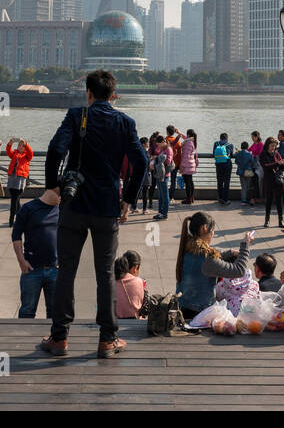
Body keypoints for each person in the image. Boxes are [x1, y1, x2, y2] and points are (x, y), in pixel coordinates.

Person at [39, 69, 147, 359]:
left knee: (66, 272)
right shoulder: (125, 122)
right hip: (107, 208)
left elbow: (54, 150)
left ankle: (59, 338)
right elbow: (142, 162)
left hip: (74, 205)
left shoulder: (77, 115)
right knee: (105, 274)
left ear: (88, 93)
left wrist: (53, 187)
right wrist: (128, 200)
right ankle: (107, 339)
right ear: (113, 95)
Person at [174, 212, 252, 320]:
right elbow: (238, 270)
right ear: (205, 228)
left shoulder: (187, 248)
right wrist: (245, 246)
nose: (213, 234)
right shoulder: (207, 258)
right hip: (200, 314)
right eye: (213, 230)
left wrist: (229, 253)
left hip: (183, 308)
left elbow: (211, 256)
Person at [12, 173, 61, 319]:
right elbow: (16, 236)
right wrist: (21, 261)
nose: (62, 199)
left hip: (55, 270)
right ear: (53, 190)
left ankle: (53, 340)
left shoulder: (62, 209)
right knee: (27, 311)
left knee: (54, 314)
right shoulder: (28, 208)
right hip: (32, 270)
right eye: (61, 194)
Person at [258, 136, 284, 228]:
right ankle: (267, 220)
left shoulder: (276, 153)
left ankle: (281, 220)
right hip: (269, 180)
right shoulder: (263, 154)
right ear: (267, 145)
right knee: (269, 201)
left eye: (274, 146)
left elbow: (281, 168)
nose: (273, 148)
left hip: (278, 180)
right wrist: (277, 163)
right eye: (271, 146)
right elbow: (265, 166)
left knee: (279, 201)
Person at [4, 136, 33, 223]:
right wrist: (10, 144)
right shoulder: (14, 154)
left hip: (20, 180)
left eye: (21, 145)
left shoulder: (27, 156)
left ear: (25, 148)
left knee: (14, 200)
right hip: (12, 178)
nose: (19, 147)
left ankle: (11, 219)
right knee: (16, 201)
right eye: (19, 145)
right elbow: (8, 152)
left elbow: (31, 153)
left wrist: (26, 144)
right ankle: (22, 218)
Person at [114, 250, 146, 318]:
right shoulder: (141, 282)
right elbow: (143, 307)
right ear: (135, 268)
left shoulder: (112, 281)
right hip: (134, 321)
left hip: (114, 321)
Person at [148, 134, 172, 221]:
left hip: (164, 175)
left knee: (165, 195)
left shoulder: (168, 149)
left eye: (158, 144)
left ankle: (164, 214)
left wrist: (157, 159)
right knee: (161, 195)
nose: (157, 146)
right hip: (159, 174)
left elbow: (168, 161)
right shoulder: (163, 149)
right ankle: (160, 212)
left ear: (162, 142)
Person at [212, 132, 234, 204]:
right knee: (226, 182)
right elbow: (231, 155)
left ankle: (220, 198)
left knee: (220, 181)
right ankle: (225, 199)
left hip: (218, 164)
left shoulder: (216, 144)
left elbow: (213, 154)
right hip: (227, 164)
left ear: (220, 138)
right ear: (227, 138)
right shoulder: (230, 144)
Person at [178, 128, 198, 204]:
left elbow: (185, 156)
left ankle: (188, 199)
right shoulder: (192, 141)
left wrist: (182, 166)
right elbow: (185, 138)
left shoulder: (187, 143)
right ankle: (191, 198)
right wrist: (179, 133)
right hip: (191, 164)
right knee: (190, 181)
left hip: (187, 165)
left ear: (188, 135)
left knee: (187, 183)